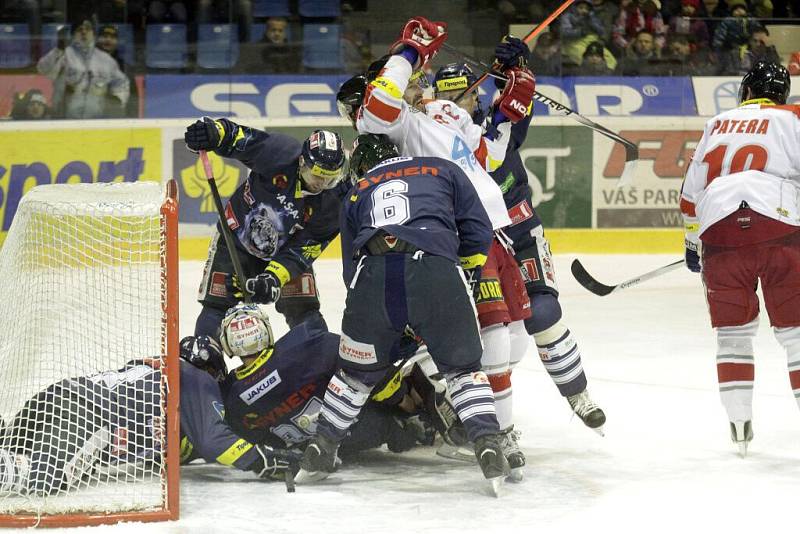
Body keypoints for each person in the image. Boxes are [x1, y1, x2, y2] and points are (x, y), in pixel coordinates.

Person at [356, 19, 537, 481]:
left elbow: (490, 158)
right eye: (414, 80)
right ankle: (498, 431)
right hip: (459, 234)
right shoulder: (398, 125)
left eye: (420, 77)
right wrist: (408, 52)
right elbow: (375, 111)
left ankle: (455, 391)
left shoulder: (448, 116)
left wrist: (507, 104)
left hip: (494, 227)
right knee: (494, 336)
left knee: (515, 337)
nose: (420, 85)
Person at [297, 133, 510, 493]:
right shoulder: (443, 168)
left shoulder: (355, 191)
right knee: (462, 371)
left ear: (361, 167)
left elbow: (351, 270)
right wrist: (462, 270)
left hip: (373, 278)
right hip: (435, 267)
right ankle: (488, 445)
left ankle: (320, 450)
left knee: (353, 377)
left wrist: (388, 321)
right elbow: (478, 230)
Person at [457, 41, 607, 436]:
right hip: (475, 250)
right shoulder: (435, 140)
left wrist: (516, 68)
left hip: (521, 234)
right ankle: (465, 413)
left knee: (543, 313)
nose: (466, 101)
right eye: (460, 94)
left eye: (472, 92)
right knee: (481, 337)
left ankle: (578, 395)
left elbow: (516, 105)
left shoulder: (495, 126)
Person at [679, 61, 797, 457]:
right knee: (798, 335)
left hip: (720, 234)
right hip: (780, 230)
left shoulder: (716, 123)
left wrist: (693, 243)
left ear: (746, 92)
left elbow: (689, 197)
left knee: (732, 335)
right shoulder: (793, 118)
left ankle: (739, 426)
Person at [182, 303, 457, 458]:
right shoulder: (306, 345)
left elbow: (215, 440)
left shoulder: (231, 400)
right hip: (370, 423)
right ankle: (431, 412)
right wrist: (404, 402)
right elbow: (365, 367)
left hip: (337, 446)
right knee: (390, 377)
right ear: (266, 332)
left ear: (229, 347)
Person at [0, 358, 301, 497]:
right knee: (45, 478)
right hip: (90, 416)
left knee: (11, 447)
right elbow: (212, 440)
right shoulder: (197, 378)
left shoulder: (159, 378)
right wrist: (262, 459)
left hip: (61, 398)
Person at [184, 120, 347, 337]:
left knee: (304, 311)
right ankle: (204, 367)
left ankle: (318, 365)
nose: (321, 184)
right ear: (301, 162)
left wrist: (273, 278)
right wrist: (214, 132)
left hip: (285, 250)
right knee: (216, 306)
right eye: (316, 175)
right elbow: (238, 138)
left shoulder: (334, 202)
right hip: (236, 240)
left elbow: (302, 250)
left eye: (329, 179)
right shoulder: (280, 153)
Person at [36, 20, 130, 119]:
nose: (84, 32)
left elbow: (121, 83)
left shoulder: (106, 60)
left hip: (96, 122)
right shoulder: (64, 55)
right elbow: (43, 70)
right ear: (73, 35)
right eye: (79, 29)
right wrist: (59, 49)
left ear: (93, 34)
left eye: (88, 29)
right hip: (64, 120)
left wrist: (117, 99)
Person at [95, 24, 138, 118]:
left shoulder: (125, 67)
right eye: (104, 37)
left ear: (117, 41)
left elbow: (133, 100)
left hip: (115, 116)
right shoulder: (86, 64)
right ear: (97, 39)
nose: (108, 40)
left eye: (112, 37)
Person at [235, 17, 302, 74]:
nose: (277, 34)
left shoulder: (292, 51)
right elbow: (245, 70)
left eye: (280, 31)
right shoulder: (255, 49)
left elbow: (297, 72)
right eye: (273, 30)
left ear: (285, 33)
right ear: (267, 32)